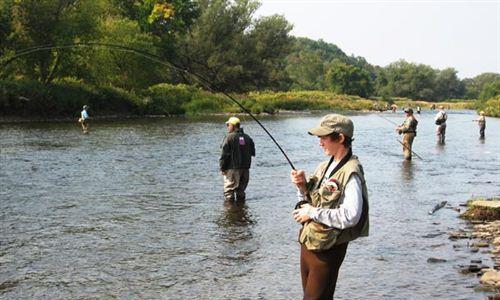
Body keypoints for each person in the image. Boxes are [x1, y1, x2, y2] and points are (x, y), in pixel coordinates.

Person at [290, 114, 369, 299]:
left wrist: (311, 212)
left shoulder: (351, 172)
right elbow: (309, 201)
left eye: (323, 137)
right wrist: (302, 187)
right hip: (309, 243)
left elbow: (351, 216)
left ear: (340, 138)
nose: (320, 142)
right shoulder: (324, 166)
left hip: (328, 249)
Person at [219, 116, 255, 202]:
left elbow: (224, 154)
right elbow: (253, 152)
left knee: (229, 192)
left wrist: (222, 168)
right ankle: (241, 211)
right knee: (241, 192)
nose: (227, 127)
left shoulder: (229, 137)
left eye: (228, 125)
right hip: (245, 169)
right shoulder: (247, 137)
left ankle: (230, 213)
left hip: (232, 169)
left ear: (233, 125)